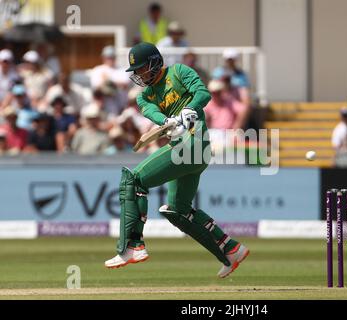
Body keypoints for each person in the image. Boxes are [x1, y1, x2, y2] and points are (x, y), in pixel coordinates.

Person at [105, 42, 249, 278]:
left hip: (194, 144)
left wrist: (189, 109)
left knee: (133, 180)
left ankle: (133, 245)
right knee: (177, 210)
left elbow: (203, 93)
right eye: (136, 72)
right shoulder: (145, 96)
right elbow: (151, 112)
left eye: (142, 69)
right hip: (186, 150)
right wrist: (166, 121)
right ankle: (230, 249)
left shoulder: (179, 72)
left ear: (155, 62)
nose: (140, 75)